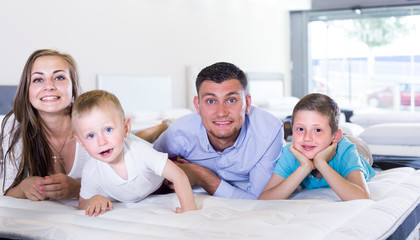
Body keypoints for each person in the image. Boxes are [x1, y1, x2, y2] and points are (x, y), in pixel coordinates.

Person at [153, 62, 284, 199]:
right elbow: (147, 166)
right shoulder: (179, 133)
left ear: (247, 103)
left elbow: (259, 199)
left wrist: (201, 176)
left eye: (231, 100)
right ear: (197, 105)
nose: (221, 113)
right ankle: (159, 127)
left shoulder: (269, 132)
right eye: (210, 101)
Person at [72, 90, 197, 216]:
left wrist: (188, 210)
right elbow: (83, 203)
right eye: (91, 135)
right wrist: (93, 200)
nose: (101, 141)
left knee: (185, 165)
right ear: (81, 143)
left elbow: (178, 175)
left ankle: (165, 126)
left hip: (161, 181)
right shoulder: (91, 170)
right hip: (143, 186)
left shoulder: (141, 152)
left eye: (108, 129)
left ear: (126, 128)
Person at [0, 49, 88, 200]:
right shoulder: (15, 125)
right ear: (26, 89)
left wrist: (78, 188)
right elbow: (8, 191)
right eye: (38, 80)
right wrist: (23, 187)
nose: (49, 86)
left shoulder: (91, 120)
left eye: (59, 77)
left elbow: (124, 180)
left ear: (73, 86)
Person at [259, 93, 375, 201]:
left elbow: (362, 197)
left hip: (358, 150)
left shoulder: (346, 151)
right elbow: (265, 198)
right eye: (300, 129)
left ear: (335, 136)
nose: (307, 138)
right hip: (325, 142)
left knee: (359, 150)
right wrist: (305, 167)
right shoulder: (290, 153)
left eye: (317, 130)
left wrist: (321, 163)